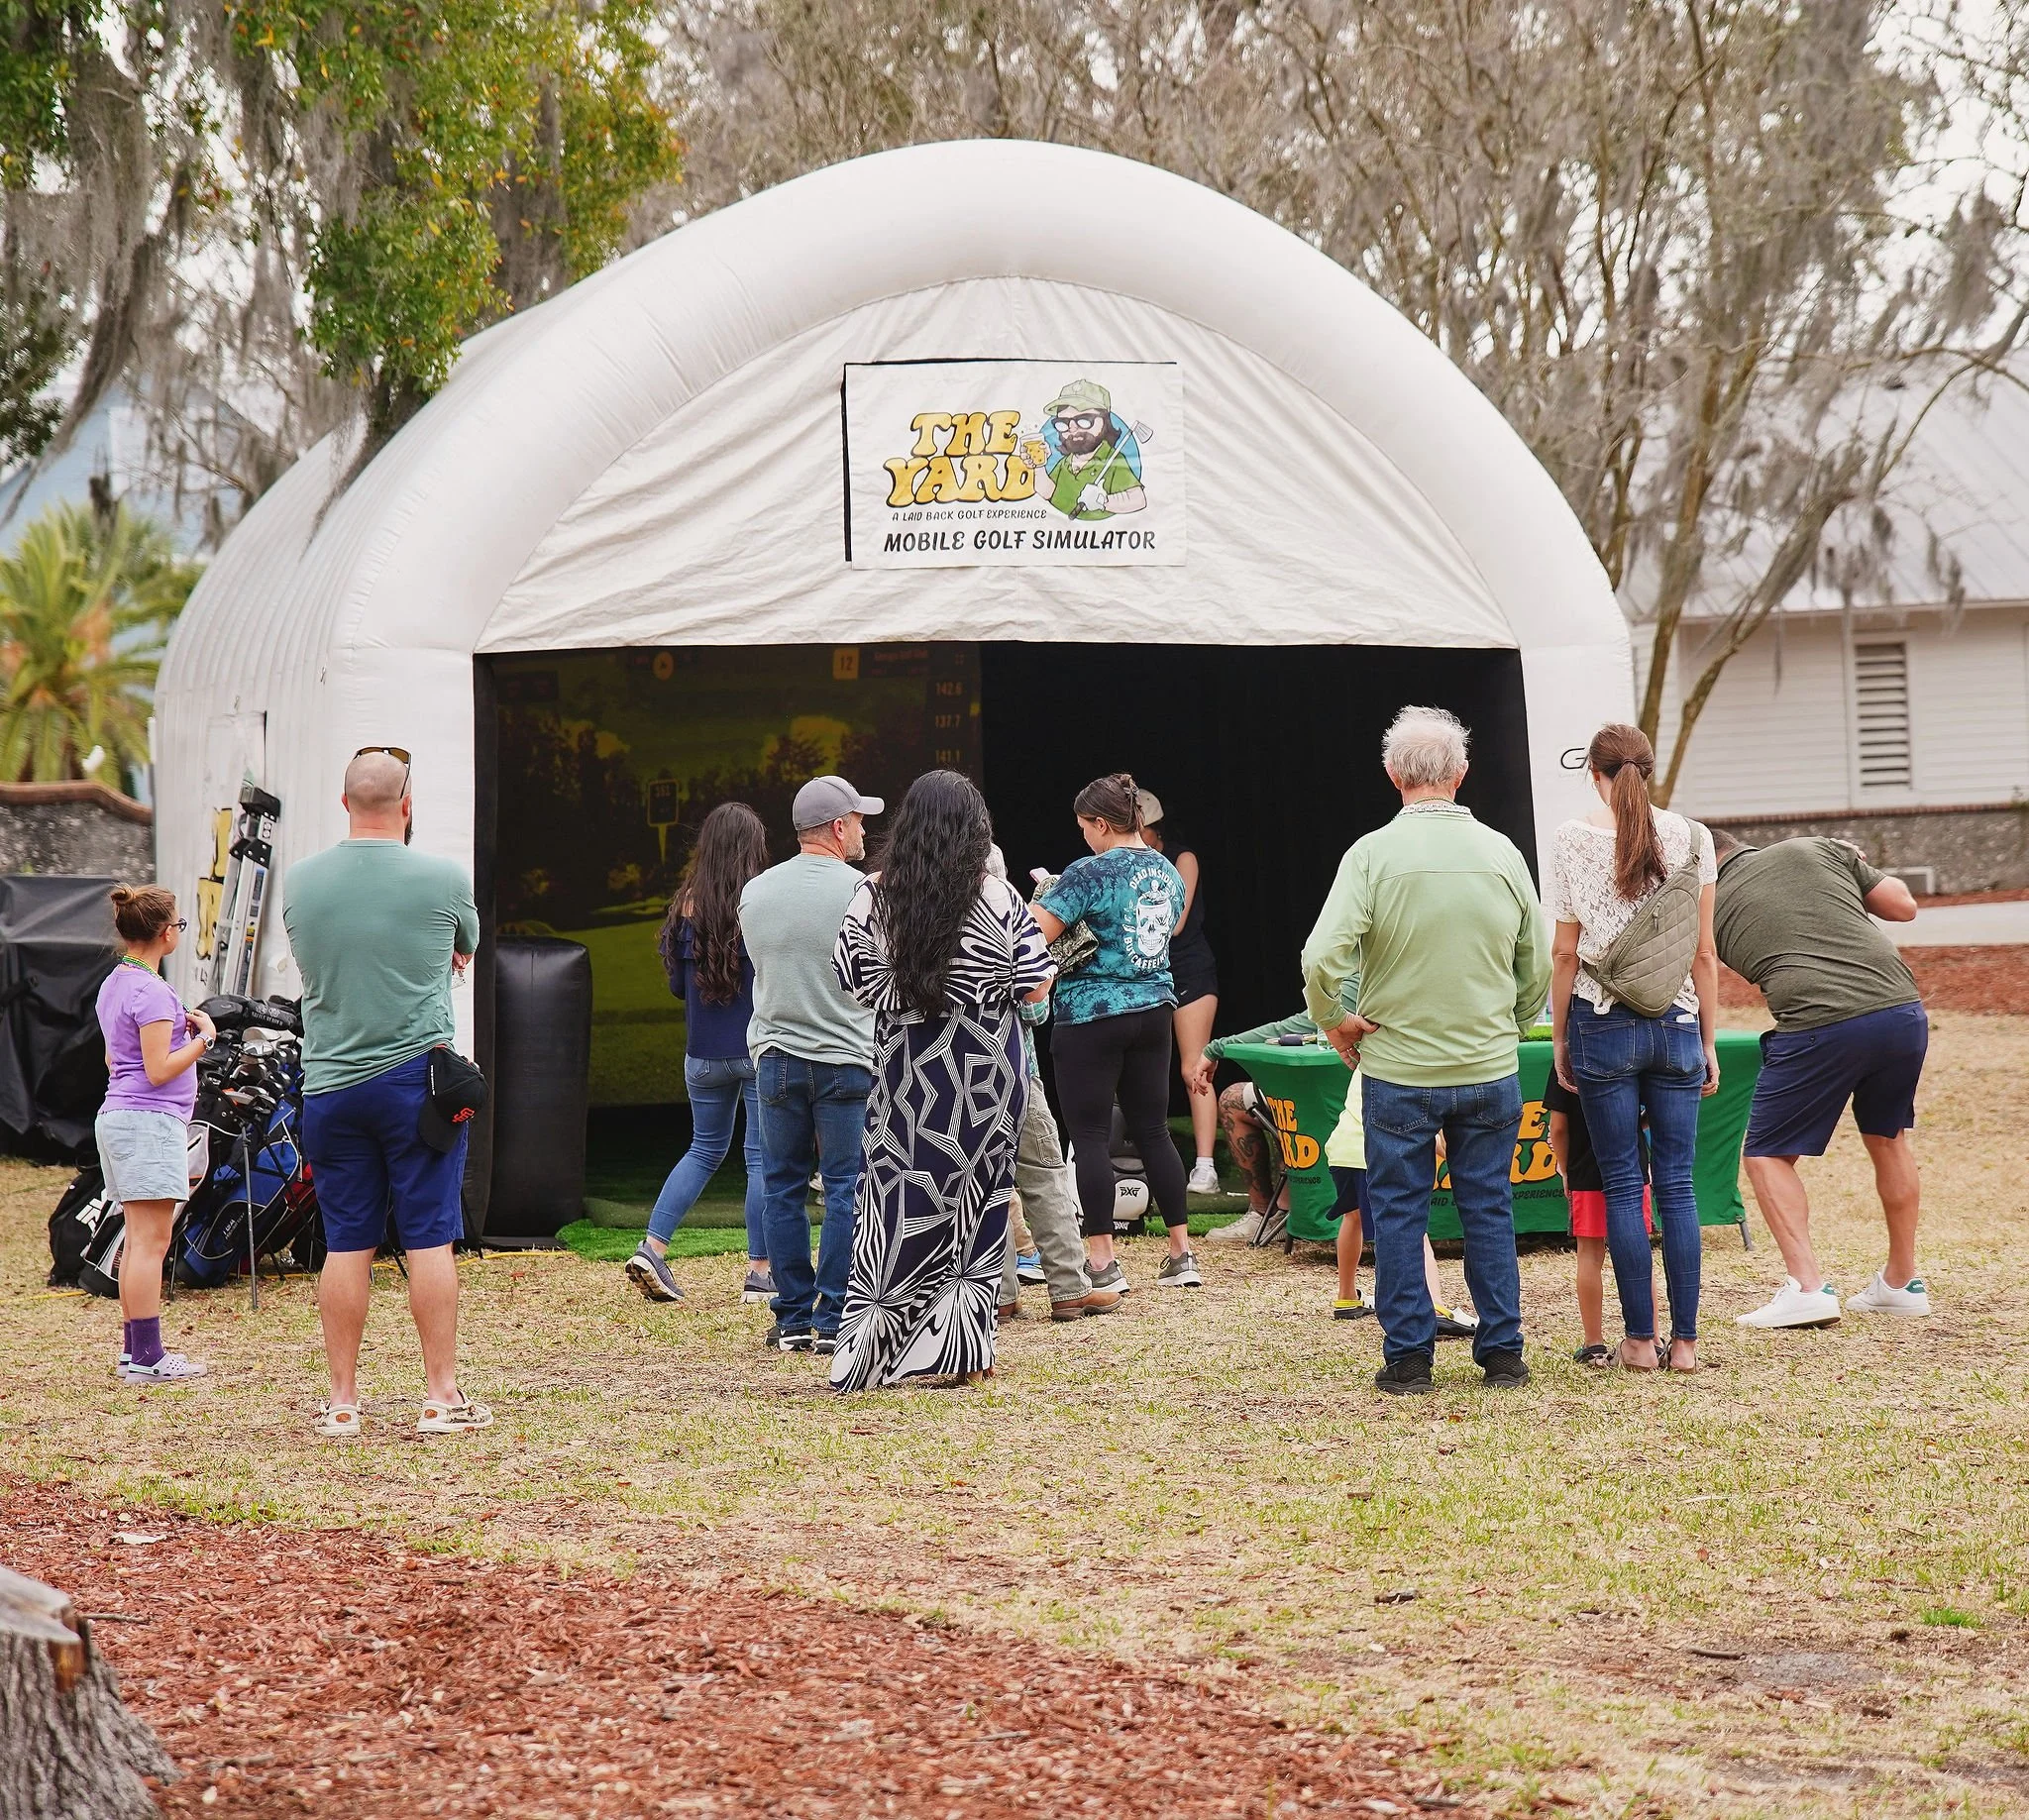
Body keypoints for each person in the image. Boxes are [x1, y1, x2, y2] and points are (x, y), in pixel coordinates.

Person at [1301, 705, 1549, 1396]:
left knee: (1402, 1212)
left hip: (1398, 1069)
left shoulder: (1371, 854)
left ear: (1391, 774)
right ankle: (1503, 1352)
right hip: (1488, 1065)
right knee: (1489, 1208)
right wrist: (1511, 1021)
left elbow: (1322, 954)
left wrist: (1335, 1021)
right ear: (1462, 773)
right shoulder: (1502, 852)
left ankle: (1409, 1358)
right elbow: (1536, 971)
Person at [283, 748, 487, 1438]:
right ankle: (440, 1395)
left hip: (332, 1084)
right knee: (430, 1238)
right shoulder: (442, 876)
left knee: (348, 1243)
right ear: (406, 805)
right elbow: (464, 946)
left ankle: (342, 1400)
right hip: (415, 1080)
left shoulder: (302, 881)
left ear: (344, 804)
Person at [829, 773, 1057, 1388]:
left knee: (895, 1200)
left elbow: (850, 982)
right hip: (987, 1073)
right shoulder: (1001, 897)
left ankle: (874, 1353)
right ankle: (961, 1354)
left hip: (907, 1073)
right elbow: (1035, 984)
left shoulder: (871, 896)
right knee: (979, 1205)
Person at [1546, 724, 1719, 1375]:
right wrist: (1707, 1040)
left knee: (1623, 1184)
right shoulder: (1694, 837)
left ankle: (1640, 1343)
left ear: (1593, 772)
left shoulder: (1569, 839)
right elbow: (1703, 952)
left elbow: (1565, 951)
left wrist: (1561, 1034)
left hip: (1602, 1023)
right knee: (1677, 1184)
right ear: (1648, 771)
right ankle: (1690, 1345)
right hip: (1677, 1024)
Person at [1710, 827, 1929, 1327]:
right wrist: (1847, 864)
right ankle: (1902, 1282)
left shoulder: (1699, 901)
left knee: (1766, 1155)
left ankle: (1808, 1288)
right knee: (1889, 1139)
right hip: (1901, 1010)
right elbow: (1903, 906)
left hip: (1819, 1022)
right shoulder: (1815, 847)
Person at [1187, 1008, 1478, 1340]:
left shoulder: (1371, 1055)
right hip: (1375, 1152)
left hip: (1341, 1149)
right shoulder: (1414, 1066)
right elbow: (1429, 1131)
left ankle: (1347, 1295)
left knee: (1352, 1219)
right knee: (1412, 1226)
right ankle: (1436, 1306)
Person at [1030, 773, 1196, 1294]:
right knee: (1154, 1131)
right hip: (1154, 1010)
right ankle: (1181, 1253)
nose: (1083, 836)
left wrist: (1049, 892)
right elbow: (1162, 931)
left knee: (1091, 1137)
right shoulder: (1166, 870)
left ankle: (1102, 1261)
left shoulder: (1087, 873)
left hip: (1092, 1015)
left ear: (1102, 824)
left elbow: (1032, 935)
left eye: (1085, 827)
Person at [740, 774, 882, 1353]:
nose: (865, 829)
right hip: (846, 1055)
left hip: (775, 1055)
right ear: (840, 826)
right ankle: (834, 1317)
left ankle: (791, 1317)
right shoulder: (865, 891)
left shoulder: (756, 891)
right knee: (846, 1186)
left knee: (782, 1185)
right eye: (860, 820)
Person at [625, 802, 772, 1307]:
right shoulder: (760, 905)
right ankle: (759, 1273)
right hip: (754, 1050)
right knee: (759, 1159)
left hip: (702, 1055)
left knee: (703, 1150)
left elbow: (677, 988)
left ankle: (652, 1247)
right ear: (753, 850)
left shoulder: (684, 906)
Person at [989, 848, 1121, 1326]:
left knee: (986, 1185)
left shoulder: (937, 917)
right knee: (1043, 1176)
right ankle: (1069, 1288)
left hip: (962, 1078)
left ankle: (998, 1296)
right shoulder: (1010, 921)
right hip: (1017, 1069)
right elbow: (1034, 1009)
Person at [95, 885, 215, 1383]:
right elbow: (159, 1068)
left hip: (120, 1117)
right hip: (149, 1121)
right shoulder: (153, 991)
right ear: (167, 934)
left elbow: (113, 1059)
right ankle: (147, 1356)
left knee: (138, 1238)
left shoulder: (115, 983)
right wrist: (204, 1038)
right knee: (151, 1241)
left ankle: (134, 1349)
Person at [1138, 792, 1223, 1196]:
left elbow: (1173, 924)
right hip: (1145, 973)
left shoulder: (1180, 858)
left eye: (1141, 828)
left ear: (1154, 828)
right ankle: (1132, 1165)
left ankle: (1205, 1167)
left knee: (1195, 1067)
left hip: (1187, 967)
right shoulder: (1123, 861)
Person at [1542, 1074, 1653, 1366]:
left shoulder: (1567, 1065)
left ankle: (1593, 1342)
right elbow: (1657, 1104)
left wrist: (1565, 1168)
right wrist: (1636, 1125)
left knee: (1589, 1255)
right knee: (1638, 1252)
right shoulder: (1631, 1053)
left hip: (1586, 1169)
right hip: (1632, 1166)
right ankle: (1650, 1336)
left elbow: (1559, 1127)